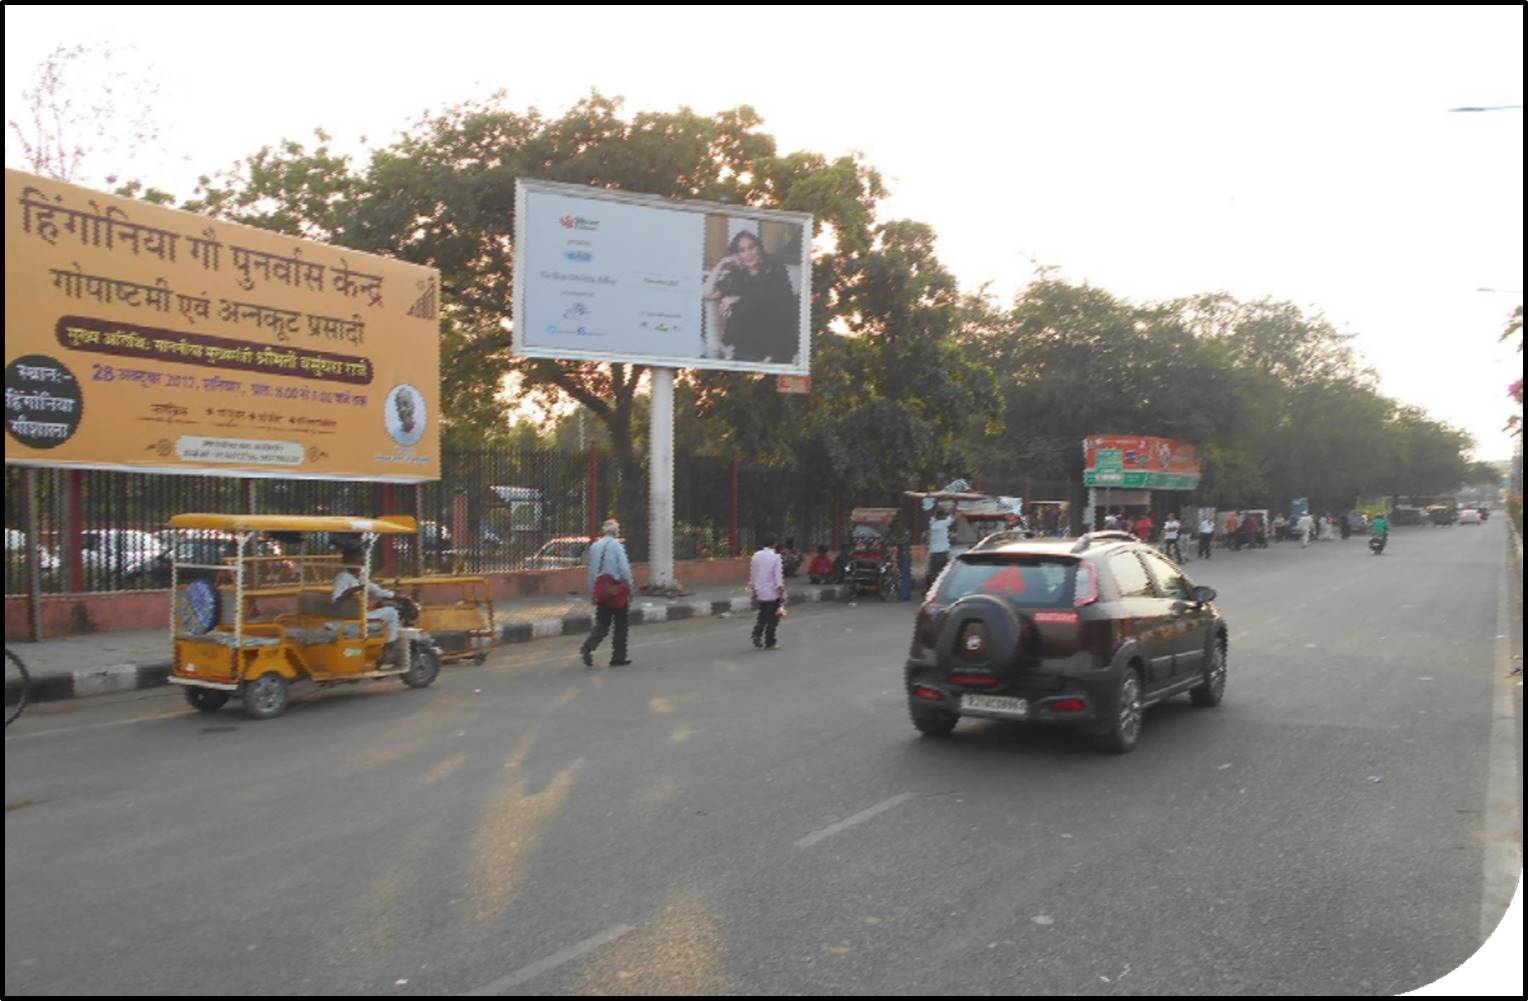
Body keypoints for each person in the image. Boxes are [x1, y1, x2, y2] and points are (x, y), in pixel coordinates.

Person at [704, 230, 798, 364]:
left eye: (751, 247)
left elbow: (777, 299)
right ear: (737, 255)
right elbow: (708, 293)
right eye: (742, 250)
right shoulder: (737, 276)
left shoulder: (775, 268)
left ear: (759, 248)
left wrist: (738, 299)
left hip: (776, 344)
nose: (748, 254)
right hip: (746, 348)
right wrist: (721, 264)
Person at [333, 542, 404, 666]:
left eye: (360, 559)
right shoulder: (343, 577)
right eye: (356, 559)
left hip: (361, 615)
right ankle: (390, 647)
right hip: (354, 619)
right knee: (392, 613)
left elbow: (377, 590)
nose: (360, 562)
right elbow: (337, 600)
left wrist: (397, 596)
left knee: (388, 610)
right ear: (347, 561)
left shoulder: (359, 577)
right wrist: (354, 590)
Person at [580, 519, 633, 668]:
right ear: (616, 531)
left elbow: (592, 572)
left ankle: (588, 646)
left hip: (601, 590)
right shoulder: (617, 546)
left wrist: (593, 593)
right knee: (621, 625)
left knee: (602, 624)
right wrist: (629, 587)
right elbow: (624, 569)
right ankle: (618, 657)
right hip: (616, 591)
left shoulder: (595, 546)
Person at [749, 534, 786, 650]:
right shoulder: (776, 557)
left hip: (760, 591)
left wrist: (753, 591)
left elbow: (753, 575)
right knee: (773, 618)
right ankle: (770, 641)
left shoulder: (756, 555)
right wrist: (782, 593)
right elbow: (778, 578)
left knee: (762, 615)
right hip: (772, 592)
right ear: (774, 544)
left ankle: (757, 633)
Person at [925, 504, 954, 590]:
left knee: (934, 573)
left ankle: (934, 589)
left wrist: (937, 505)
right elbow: (953, 515)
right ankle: (942, 589)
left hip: (933, 553)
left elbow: (934, 516)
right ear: (942, 516)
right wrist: (956, 503)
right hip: (942, 553)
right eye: (944, 515)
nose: (946, 516)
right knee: (944, 572)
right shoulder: (944, 523)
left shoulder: (932, 524)